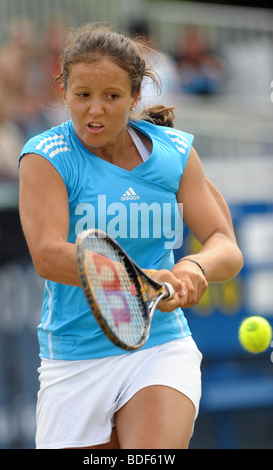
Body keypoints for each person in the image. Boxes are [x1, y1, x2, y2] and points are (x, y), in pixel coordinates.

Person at [18, 23, 243, 449]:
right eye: (82, 95)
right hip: (73, 360)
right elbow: (48, 255)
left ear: (136, 96)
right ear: (63, 90)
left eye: (113, 97)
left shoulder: (175, 153)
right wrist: (140, 277)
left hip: (160, 345)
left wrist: (193, 267)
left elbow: (224, 244)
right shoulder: (45, 157)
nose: (95, 111)